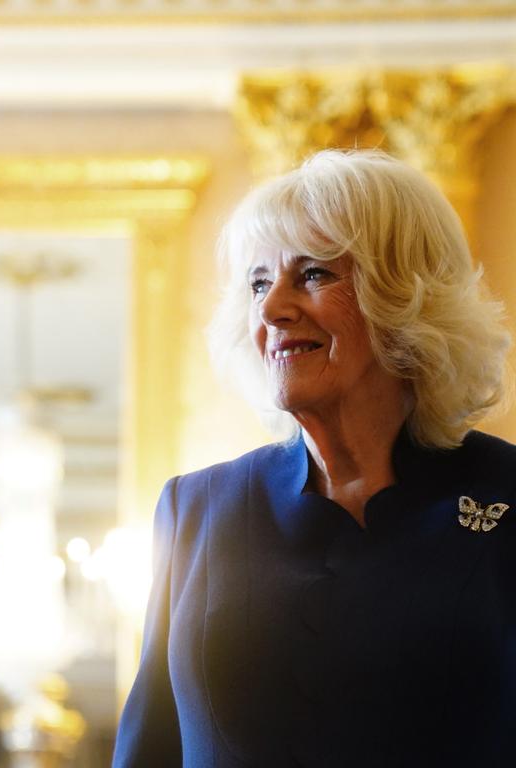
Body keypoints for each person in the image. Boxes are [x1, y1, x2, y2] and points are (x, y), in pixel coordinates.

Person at [113, 149, 516, 767]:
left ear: (404, 294)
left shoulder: (506, 494)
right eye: (257, 282)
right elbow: (150, 746)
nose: (271, 308)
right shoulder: (195, 508)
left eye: (313, 274)